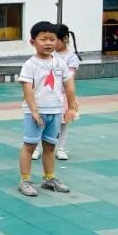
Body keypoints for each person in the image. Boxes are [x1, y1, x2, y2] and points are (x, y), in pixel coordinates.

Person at [18, 21, 77, 197]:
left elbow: (69, 85)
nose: (48, 43)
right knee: (29, 146)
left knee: (50, 147)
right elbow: (27, 88)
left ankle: (49, 178)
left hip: (55, 111)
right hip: (35, 113)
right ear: (33, 42)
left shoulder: (60, 63)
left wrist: (71, 107)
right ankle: (25, 180)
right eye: (43, 39)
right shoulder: (30, 64)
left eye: (52, 39)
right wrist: (34, 111)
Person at [32, 23, 81, 161]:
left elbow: (69, 77)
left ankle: (60, 148)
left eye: (54, 39)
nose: (50, 43)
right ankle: (36, 148)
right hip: (44, 93)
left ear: (64, 39)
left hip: (62, 95)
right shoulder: (48, 54)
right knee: (40, 120)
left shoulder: (71, 58)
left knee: (63, 123)